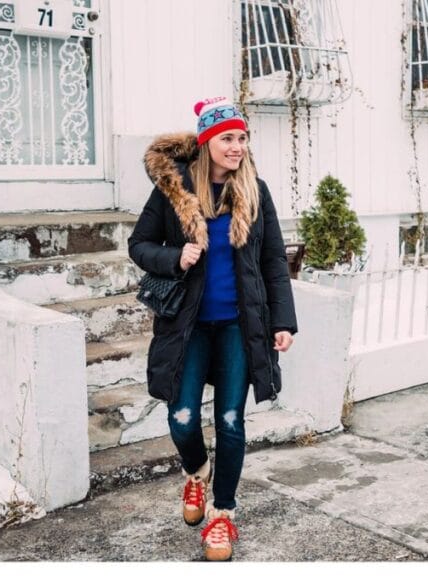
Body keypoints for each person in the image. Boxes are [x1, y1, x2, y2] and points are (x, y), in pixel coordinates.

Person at [129, 96, 297, 561]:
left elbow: (273, 264)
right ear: (206, 142)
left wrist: (282, 322)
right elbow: (138, 245)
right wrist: (173, 257)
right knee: (181, 417)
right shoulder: (174, 191)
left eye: (242, 138)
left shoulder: (255, 191)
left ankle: (223, 514)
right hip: (188, 325)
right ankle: (196, 472)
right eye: (228, 138)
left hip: (240, 328)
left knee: (230, 421)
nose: (238, 146)